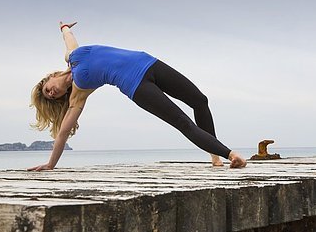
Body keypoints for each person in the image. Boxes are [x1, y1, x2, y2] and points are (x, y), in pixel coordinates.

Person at [28, 21, 247, 171]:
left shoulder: (73, 55)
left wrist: (64, 27)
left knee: (200, 100)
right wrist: (50, 164)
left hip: (149, 63)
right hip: (136, 86)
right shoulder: (78, 93)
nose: (52, 93)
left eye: (47, 89)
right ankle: (230, 155)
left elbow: (68, 38)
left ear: (51, 77)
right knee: (183, 122)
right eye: (52, 97)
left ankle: (214, 156)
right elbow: (63, 132)